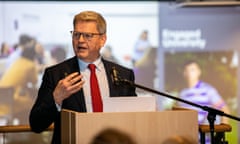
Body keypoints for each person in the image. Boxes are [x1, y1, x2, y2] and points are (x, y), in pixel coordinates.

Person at [29, 11, 137, 144]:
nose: (80, 40)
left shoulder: (123, 75)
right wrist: (56, 99)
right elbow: (36, 124)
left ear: (102, 40)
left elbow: (133, 119)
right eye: (76, 34)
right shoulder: (55, 74)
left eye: (88, 36)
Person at [178, 60, 230, 124]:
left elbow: (224, 109)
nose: (189, 73)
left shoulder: (208, 89)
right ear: (184, 73)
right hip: (186, 131)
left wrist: (221, 130)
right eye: (187, 70)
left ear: (199, 72)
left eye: (192, 70)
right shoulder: (182, 93)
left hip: (204, 131)